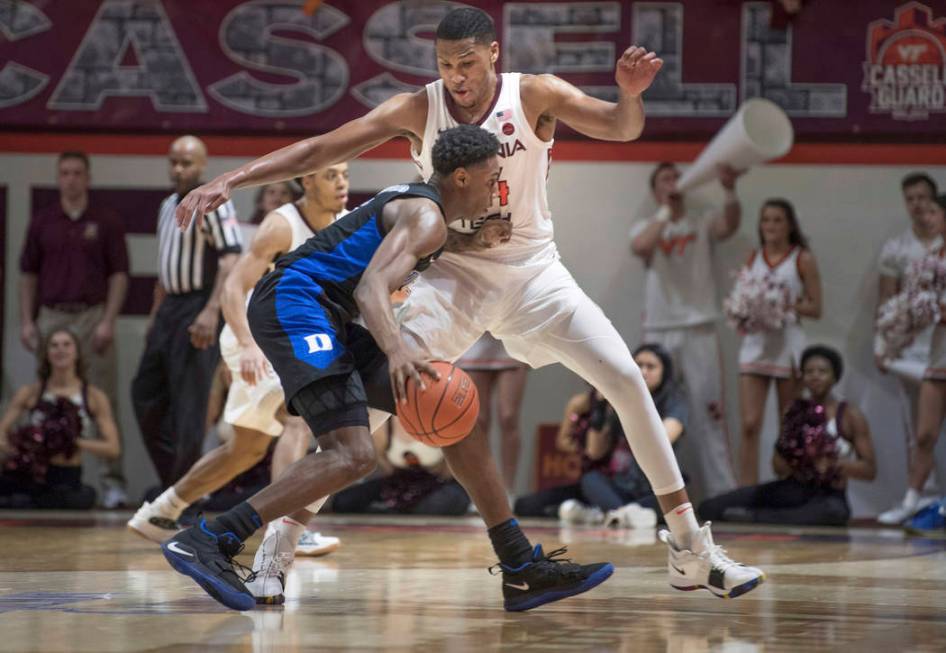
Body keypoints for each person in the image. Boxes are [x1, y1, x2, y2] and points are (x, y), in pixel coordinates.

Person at [174, 8, 764, 605]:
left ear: (493, 55)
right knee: (369, 417)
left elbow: (620, 126)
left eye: (467, 63)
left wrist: (630, 95)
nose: (456, 77)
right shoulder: (417, 109)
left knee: (626, 378)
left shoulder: (534, 93)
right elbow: (321, 147)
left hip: (534, 272)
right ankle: (273, 555)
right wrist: (236, 177)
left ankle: (690, 548)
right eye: (445, 65)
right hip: (448, 272)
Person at [163, 124, 604, 612]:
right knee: (352, 454)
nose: (497, 187)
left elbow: (399, 253)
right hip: (294, 303)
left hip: (323, 311)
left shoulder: (424, 212)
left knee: (457, 421)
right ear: (460, 177)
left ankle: (519, 565)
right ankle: (209, 538)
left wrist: (472, 241)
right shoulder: (427, 218)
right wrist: (396, 350)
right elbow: (372, 287)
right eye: (489, 177)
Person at [129, 164, 350, 589]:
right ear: (306, 181)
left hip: (287, 335)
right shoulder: (281, 225)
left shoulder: (344, 225)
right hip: (253, 332)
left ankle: (161, 510)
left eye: (344, 173)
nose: (342, 182)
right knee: (298, 418)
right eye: (330, 175)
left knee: (246, 448)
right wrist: (247, 345)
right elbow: (233, 288)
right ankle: (286, 531)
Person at [131, 136, 243, 489]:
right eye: (174, 162)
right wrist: (154, 316)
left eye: (186, 163)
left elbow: (230, 260)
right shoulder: (166, 205)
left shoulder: (214, 204)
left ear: (202, 165)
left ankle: (184, 494)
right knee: (144, 394)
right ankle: (175, 482)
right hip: (169, 309)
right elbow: (164, 273)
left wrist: (212, 311)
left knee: (190, 405)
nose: (178, 169)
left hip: (199, 305)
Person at [19, 151, 129, 506]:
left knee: (103, 401)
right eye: (64, 173)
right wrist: (27, 320)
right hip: (51, 316)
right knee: (44, 400)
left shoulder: (106, 221)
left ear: (88, 178)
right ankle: (38, 477)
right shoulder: (42, 221)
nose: (70, 179)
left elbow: (119, 275)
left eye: (77, 173)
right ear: (58, 178)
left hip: (92, 316)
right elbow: (27, 275)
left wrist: (108, 320)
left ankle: (112, 483)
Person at [630, 161, 742, 499]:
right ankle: (649, 493)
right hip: (659, 331)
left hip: (698, 328)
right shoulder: (644, 225)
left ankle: (723, 494)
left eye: (677, 178)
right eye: (665, 179)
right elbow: (641, 247)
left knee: (709, 412)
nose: (673, 183)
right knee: (653, 415)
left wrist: (730, 190)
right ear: (655, 190)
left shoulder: (702, 219)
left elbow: (729, 226)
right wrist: (665, 211)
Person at [700, 345, 876, 526]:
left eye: (822, 371)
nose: (815, 376)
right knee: (710, 508)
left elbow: (869, 470)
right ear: (802, 377)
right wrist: (797, 457)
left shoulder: (849, 414)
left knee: (833, 512)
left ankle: (755, 517)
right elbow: (778, 468)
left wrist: (832, 465)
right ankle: (755, 515)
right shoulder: (794, 411)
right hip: (793, 487)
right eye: (809, 372)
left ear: (835, 376)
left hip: (829, 493)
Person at [515, 344, 685, 529]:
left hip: (650, 485)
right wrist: (601, 411)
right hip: (615, 483)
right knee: (590, 480)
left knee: (671, 499)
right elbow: (594, 452)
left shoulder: (674, 402)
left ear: (664, 372)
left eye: (651, 367)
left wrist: (634, 404)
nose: (643, 372)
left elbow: (662, 440)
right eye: (638, 366)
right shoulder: (610, 399)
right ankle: (624, 514)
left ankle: (601, 514)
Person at [736, 199, 821, 485]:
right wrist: (746, 309)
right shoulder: (752, 257)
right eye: (766, 220)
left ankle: (787, 485)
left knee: (788, 424)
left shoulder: (802, 258)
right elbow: (741, 299)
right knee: (749, 424)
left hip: (787, 346)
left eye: (777, 220)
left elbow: (816, 307)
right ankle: (745, 490)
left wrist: (784, 305)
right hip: (756, 344)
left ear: (789, 224)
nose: (771, 226)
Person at [876, 174, 944, 525]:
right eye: (915, 201)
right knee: (923, 432)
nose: (925, 213)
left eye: (932, 207)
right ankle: (914, 500)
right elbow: (896, 301)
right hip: (928, 350)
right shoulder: (915, 253)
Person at [0, 329, 120, 509]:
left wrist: (73, 441)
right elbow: (2, 430)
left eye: (67, 344)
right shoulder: (31, 392)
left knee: (81, 498)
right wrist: (17, 449)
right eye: (54, 345)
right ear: (46, 353)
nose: (60, 350)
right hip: (34, 474)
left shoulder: (94, 396)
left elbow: (113, 448)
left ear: (77, 352)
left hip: (67, 476)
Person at [332, 419, 471, 516]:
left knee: (452, 501)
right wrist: (403, 486)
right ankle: (396, 509)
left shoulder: (442, 419)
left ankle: (393, 509)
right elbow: (383, 464)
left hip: (438, 482)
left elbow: (449, 469)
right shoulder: (385, 423)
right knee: (343, 502)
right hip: (398, 480)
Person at [457, 334, 528, 494]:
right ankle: (483, 491)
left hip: (510, 337)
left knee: (508, 416)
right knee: (479, 421)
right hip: (476, 337)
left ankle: (508, 490)